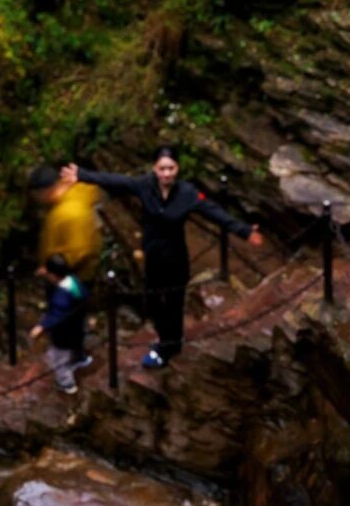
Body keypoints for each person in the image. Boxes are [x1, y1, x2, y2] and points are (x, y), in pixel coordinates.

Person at [60, 147, 262, 371]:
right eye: (162, 168)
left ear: (177, 168)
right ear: (155, 169)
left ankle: (168, 347)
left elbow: (214, 212)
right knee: (154, 304)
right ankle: (167, 340)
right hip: (153, 258)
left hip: (176, 258)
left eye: (171, 168)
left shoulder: (188, 193)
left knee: (174, 305)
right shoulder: (145, 186)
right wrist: (82, 175)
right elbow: (116, 181)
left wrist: (244, 231)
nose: (166, 174)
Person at [28, 163, 104, 283]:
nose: (36, 200)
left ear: (45, 191)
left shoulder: (70, 210)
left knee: (60, 301)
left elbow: (79, 250)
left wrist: (53, 273)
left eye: (36, 196)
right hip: (65, 274)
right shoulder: (70, 198)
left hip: (74, 279)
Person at [29, 253, 89, 395]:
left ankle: (67, 384)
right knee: (76, 346)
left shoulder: (61, 296)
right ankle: (80, 360)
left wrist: (41, 327)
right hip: (77, 325)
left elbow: (56, 314)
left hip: (64, 334)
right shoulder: (74, 282)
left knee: (58, 359)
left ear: (53, 275)